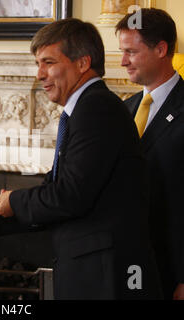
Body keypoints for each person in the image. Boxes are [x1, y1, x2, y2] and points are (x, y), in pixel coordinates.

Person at [0, 18, 162, 299]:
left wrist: (13, 202)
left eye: (48, 62)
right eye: (38, 64)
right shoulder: (83, 109)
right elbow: (57, 188)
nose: (40, 74)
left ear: (82, 63)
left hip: (106, 278)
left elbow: (70, 195)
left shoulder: (96, 108)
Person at [116, 8, 184, 300]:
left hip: (171, 271)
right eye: (122, 52)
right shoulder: (124, 109)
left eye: (131, 52)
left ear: (161, 49)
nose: (123, 62)